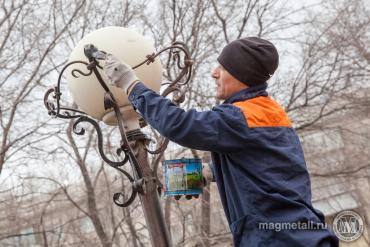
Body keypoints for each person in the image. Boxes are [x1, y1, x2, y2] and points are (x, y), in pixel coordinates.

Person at [103, 37, 339, 246]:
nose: (214, 73)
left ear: (242, 75)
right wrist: (212, 172)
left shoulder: (241, 117)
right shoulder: (268, 112)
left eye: (223, 68)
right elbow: (268, 167)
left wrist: (131, 84)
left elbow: (179, 125)